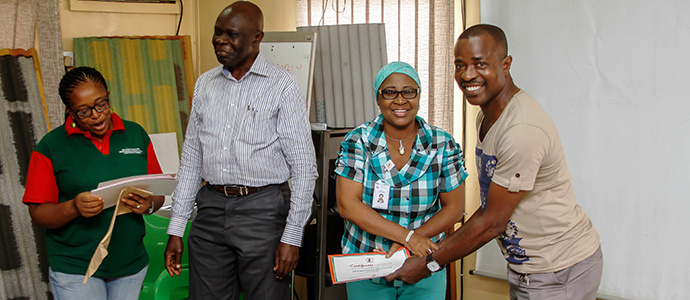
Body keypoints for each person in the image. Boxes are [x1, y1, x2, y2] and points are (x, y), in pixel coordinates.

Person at [385, 24, 603, 300]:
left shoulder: (521, 129)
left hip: (560, 269)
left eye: (480, 64)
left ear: (506, 64)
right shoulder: (486, 118)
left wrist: (429, 264)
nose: (467, 74)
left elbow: (492, 222)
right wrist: (435, 250)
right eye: (460, 65)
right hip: (531, 269)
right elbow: (490, 208)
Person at [163, 2, 318, 300]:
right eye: (217, 33)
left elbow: (303, 166)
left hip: (263, 211)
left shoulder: (282, 86)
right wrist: (177, 227)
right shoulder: (205, 84)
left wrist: (292, 236)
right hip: (210, 210)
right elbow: (192, 160)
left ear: (257, 38)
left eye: (231, 35)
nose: (221, 41)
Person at [22, 66, 165, 299]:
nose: (97, 115)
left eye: (101, 104)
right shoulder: (50, 147)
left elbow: (157, 194)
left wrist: (148, 205)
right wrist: (74, 207)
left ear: (108, 96)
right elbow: (38, 214)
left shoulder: (135, 134)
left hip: (130, 264)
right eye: (84, 111)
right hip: (76, 269)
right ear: (70, 111)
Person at [335, 61, 468, 300]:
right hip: (367, 264)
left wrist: (412, 244)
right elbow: (347, 205)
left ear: (418, 96)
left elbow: (455, 208)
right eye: (390, 92)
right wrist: (407, 237)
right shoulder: (358, 141)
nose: (400, 100)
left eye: (408, 91)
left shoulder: (442, 143)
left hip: (424, 264)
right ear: (378, 98)